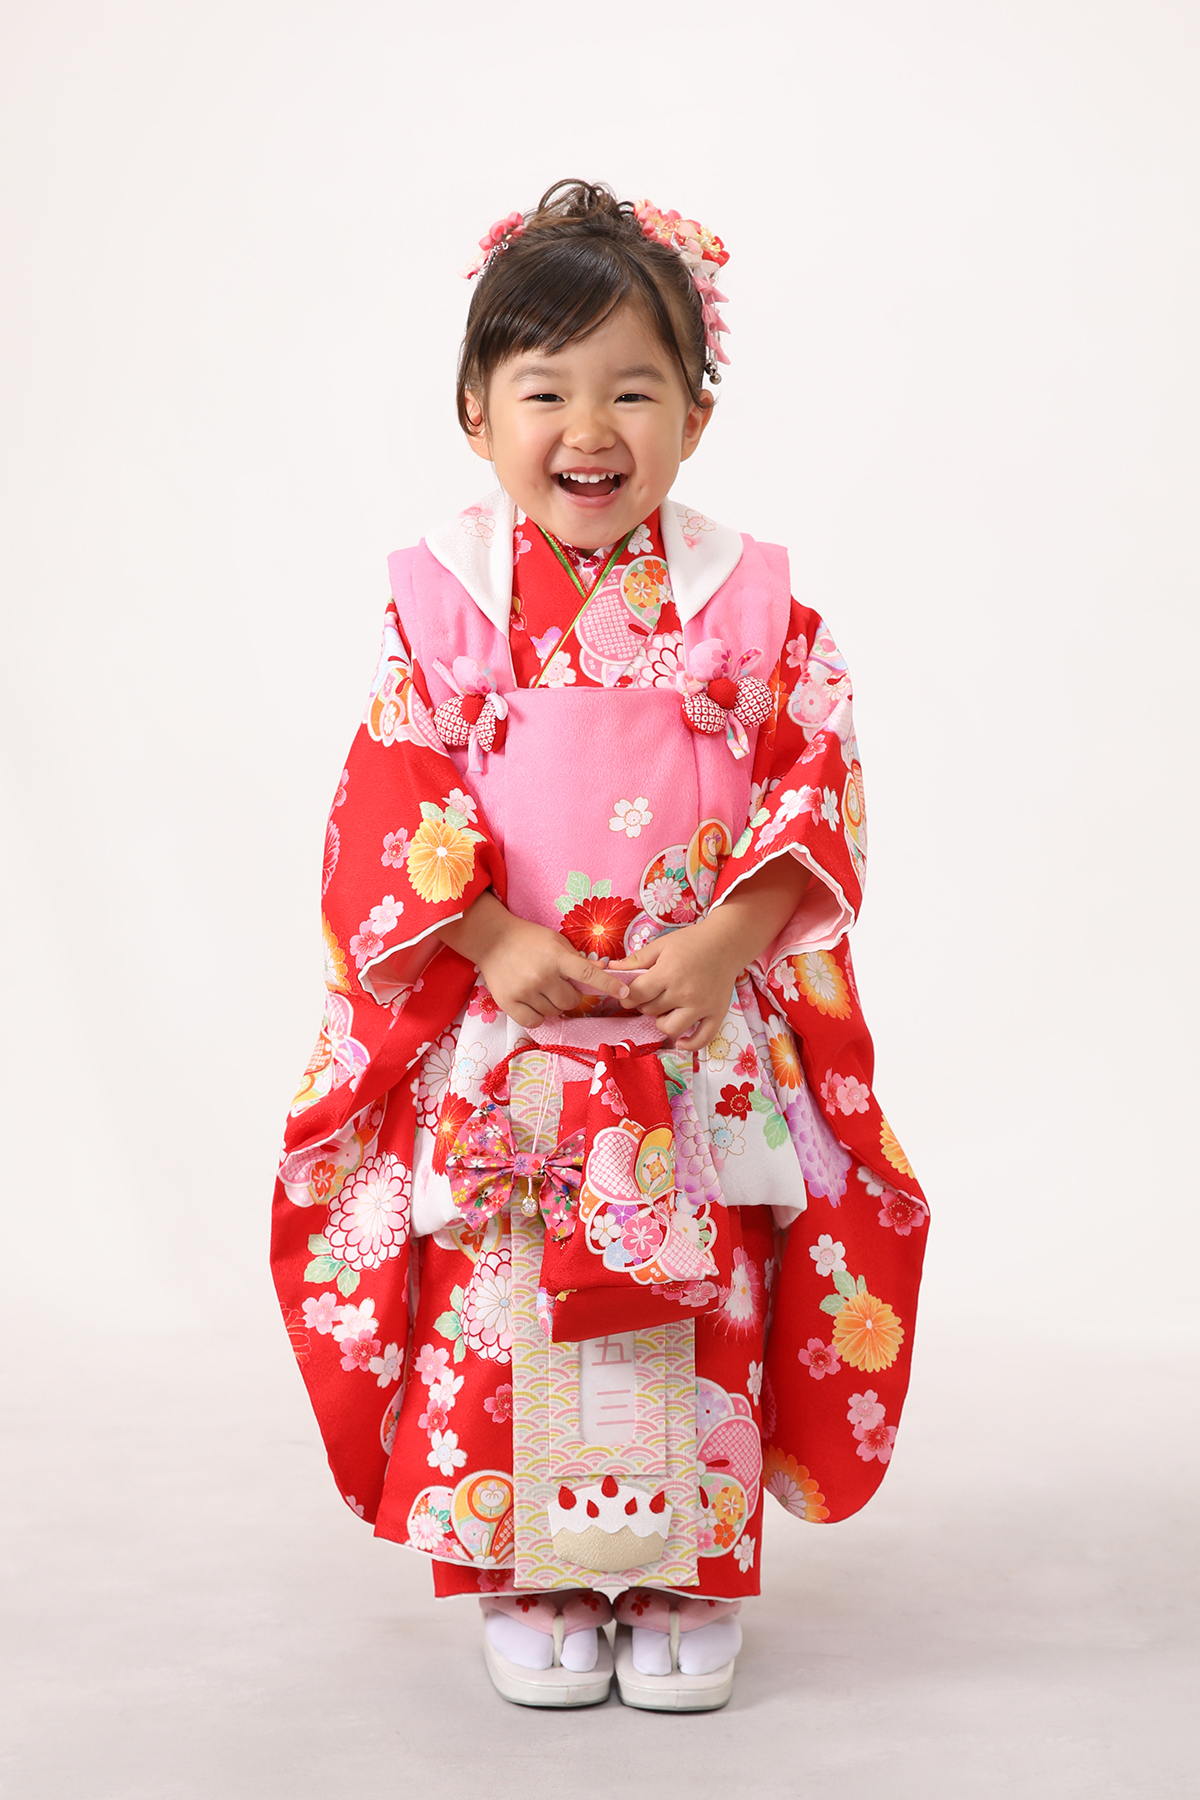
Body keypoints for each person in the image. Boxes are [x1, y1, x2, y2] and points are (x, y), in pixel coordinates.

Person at [271, 179, 929, 1711]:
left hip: (689, 1034)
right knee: (507, 1298)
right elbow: (390, 790)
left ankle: (684, 1570)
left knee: (700, 1296)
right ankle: (532, 1566)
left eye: (634, 388)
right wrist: (487, 934)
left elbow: (813, 780)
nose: (589, 426)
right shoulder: (444, 603)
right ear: (475, 411)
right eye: (545, 387)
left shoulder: (754, 608)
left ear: (695, 415)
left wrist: (732, 939)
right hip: (515, 1035)